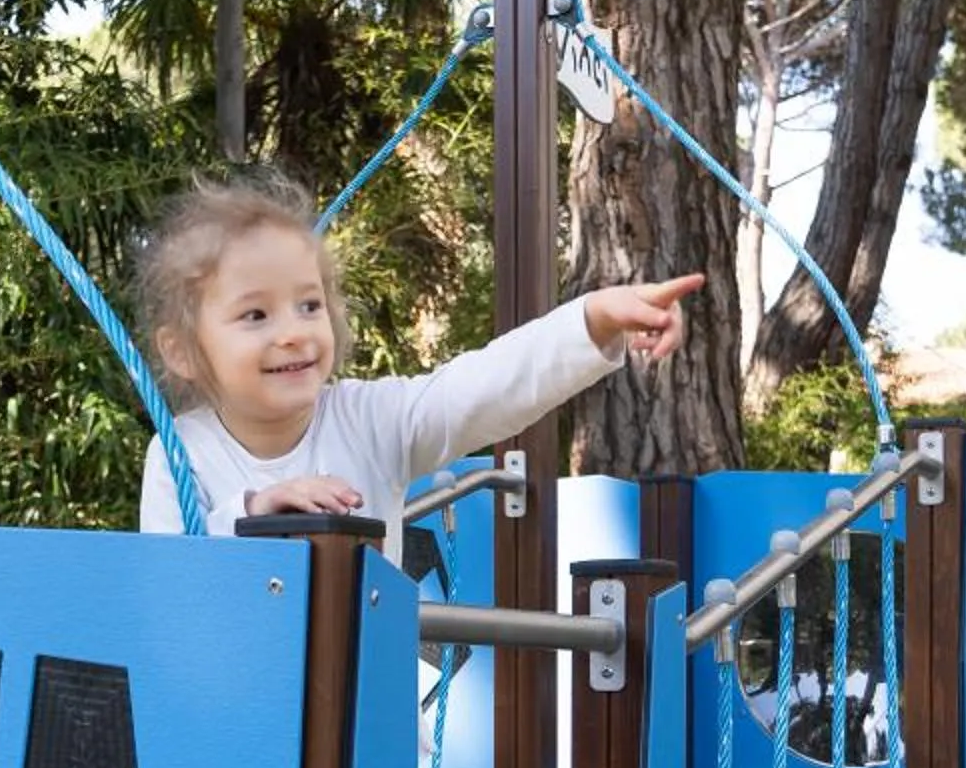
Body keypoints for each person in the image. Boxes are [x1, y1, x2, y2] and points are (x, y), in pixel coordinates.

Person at [137, 173, 703, 556]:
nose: (293, 333)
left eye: (309, 305)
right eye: (255, 315)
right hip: (239, 723)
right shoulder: (180, 452)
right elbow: (168, 587)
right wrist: (256, 512)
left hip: (365, 713)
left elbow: (480, 388)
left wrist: (593, 319)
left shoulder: (371, 419)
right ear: (182, 350)